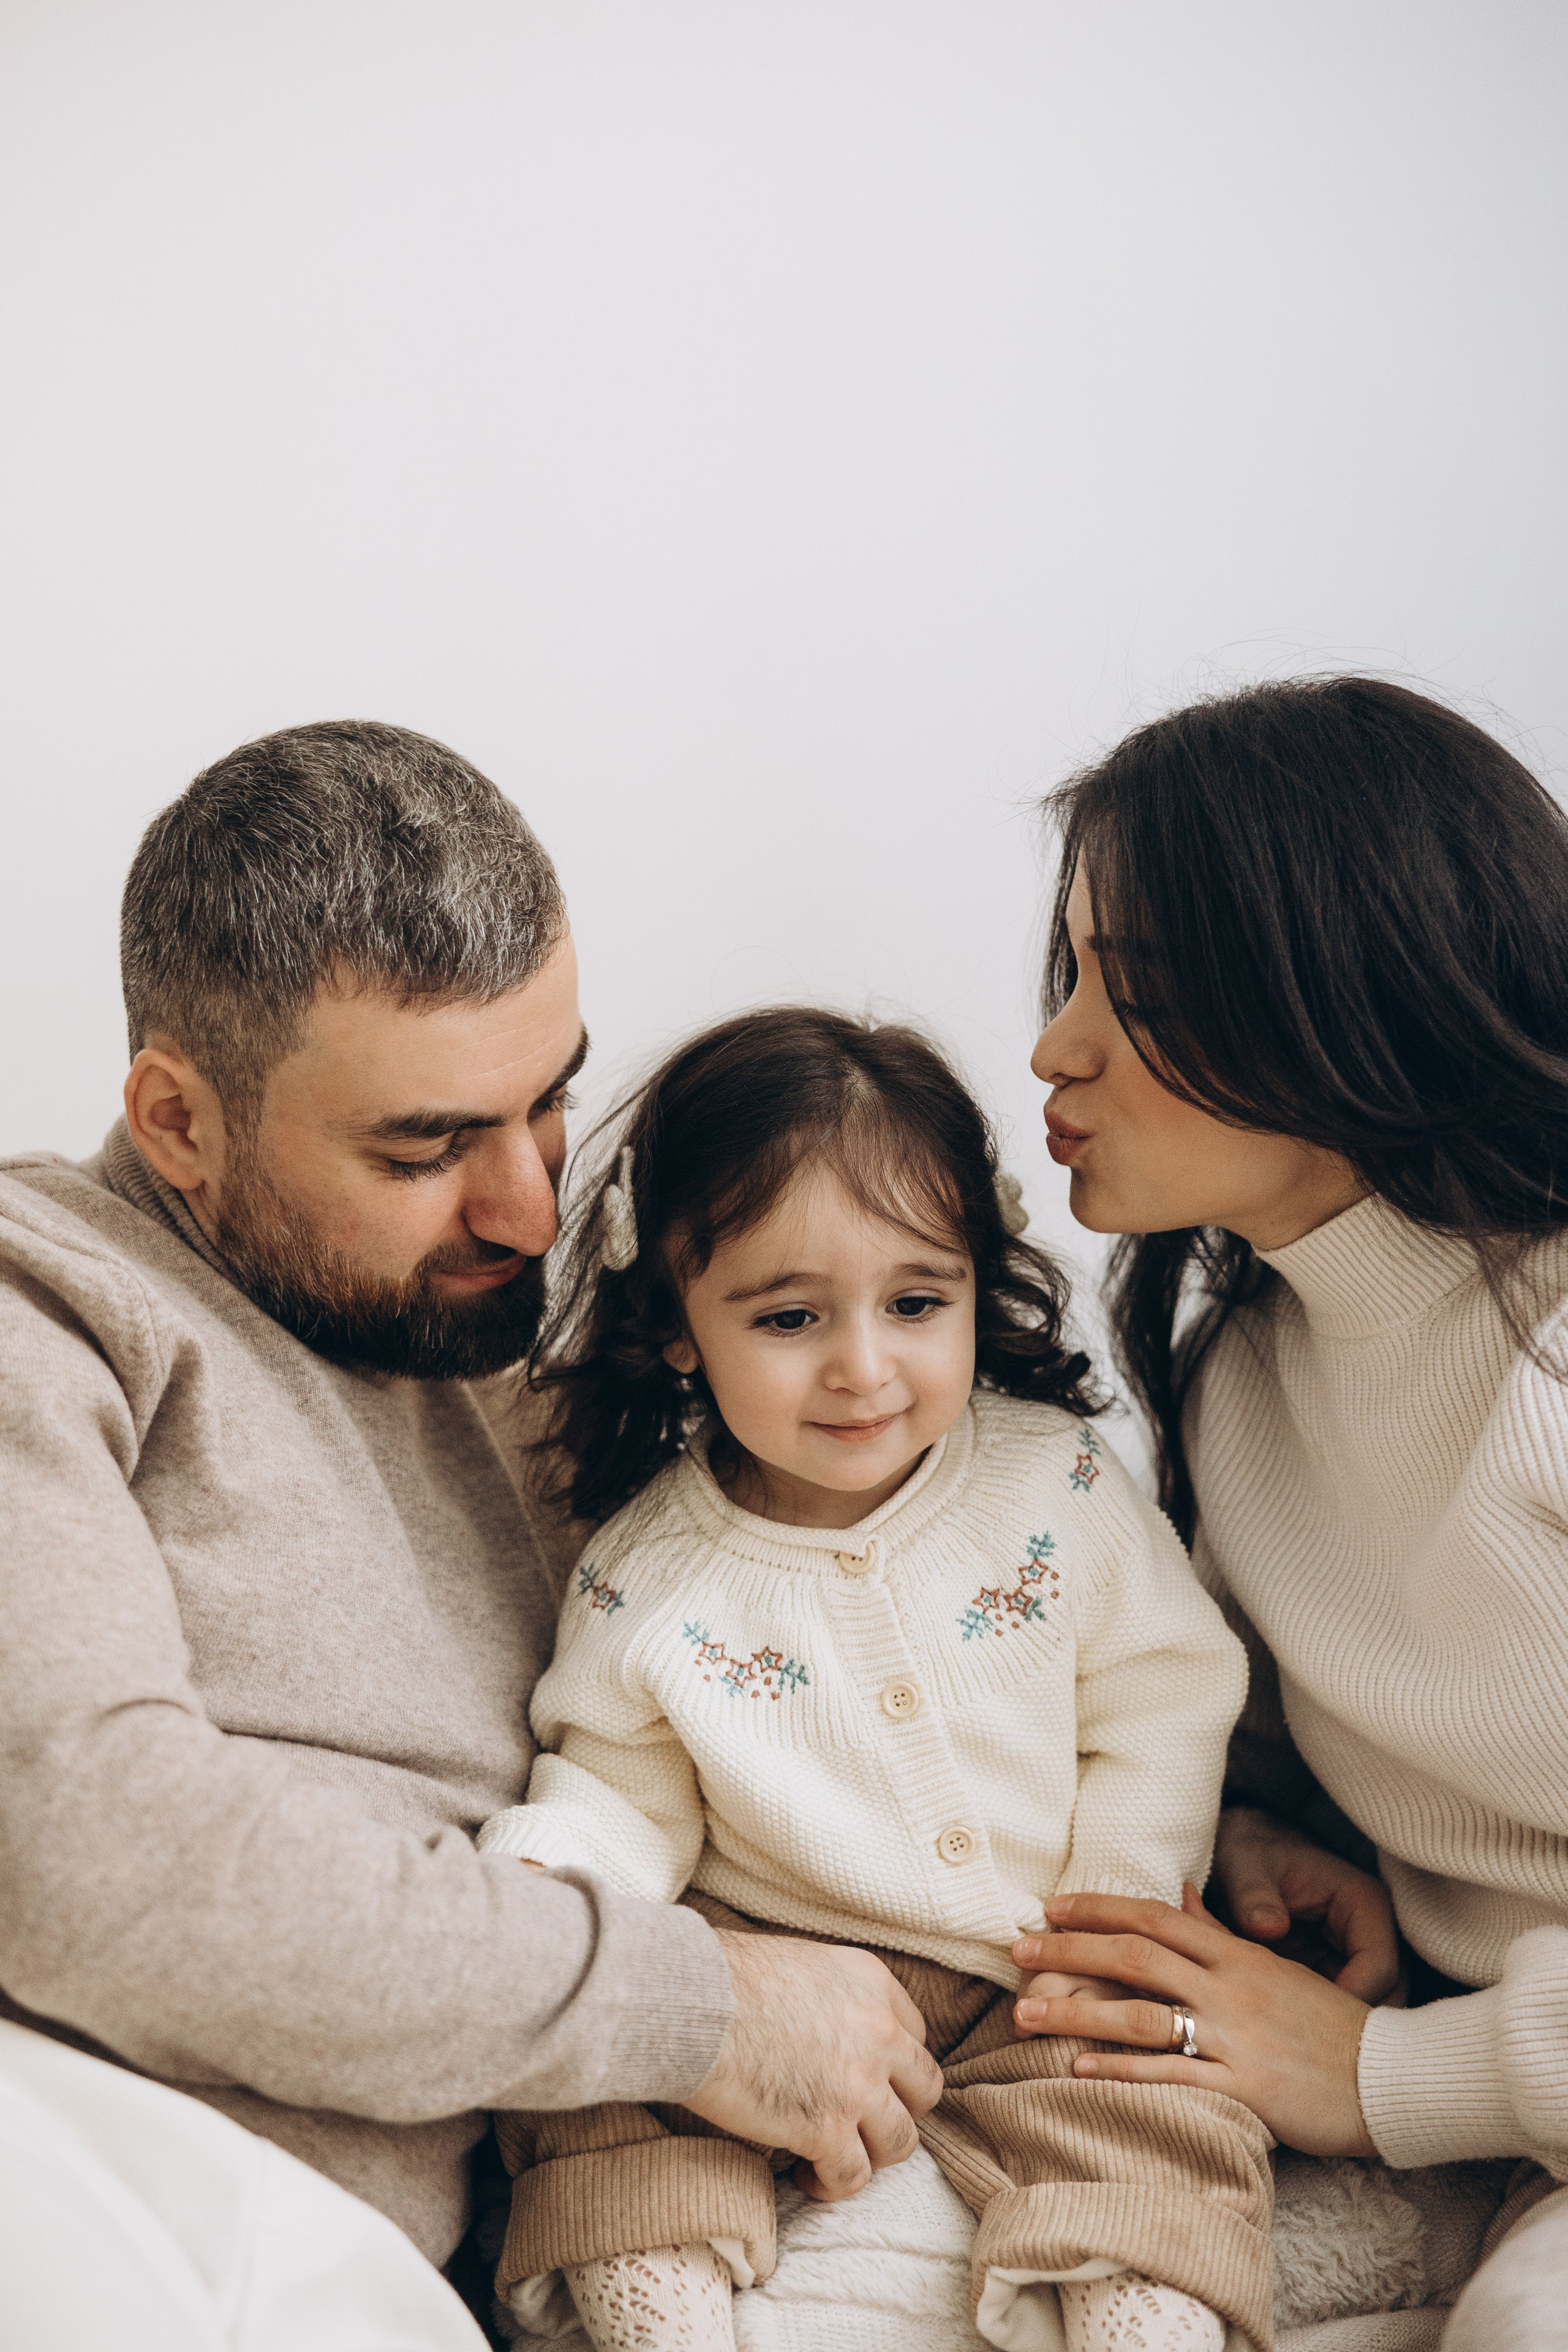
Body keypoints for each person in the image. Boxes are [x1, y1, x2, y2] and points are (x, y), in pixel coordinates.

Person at [0, 722, 942, 2350]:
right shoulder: (51, 1307)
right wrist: (692, 2007)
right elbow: (88, 1862)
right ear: (176, 1119)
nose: (525, 1209)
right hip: (90, 2184)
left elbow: (843, 1655)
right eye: (426, 1147)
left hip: (342, 2270)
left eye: (551, 1100)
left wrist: (1222, 1822)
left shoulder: (544, 1394)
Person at [478, 1007, 1273, 2352]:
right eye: (788, 1317)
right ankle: (659, 2318)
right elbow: (620, 1791)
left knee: (1167, 2109)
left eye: (916, 1302)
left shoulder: (1052, 1484)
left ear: (974, 1277)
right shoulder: (645, 1575)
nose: (862, 1367)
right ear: (678, 1327)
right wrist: (562, 1881)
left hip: (1050, 1970)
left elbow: (1163, 1691)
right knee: (597, 2091)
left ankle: (1145, 2319)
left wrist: (1123, 1893)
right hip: (786, 1978)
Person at [1007, 677, 1568, 2348]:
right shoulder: (1238, 1393)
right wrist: (1259, 1836)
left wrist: (1398, 2076)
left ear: (1351, 995)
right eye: (1072, 976)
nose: (1054, 1051)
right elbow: (1269, 1730)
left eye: (1144, 991)